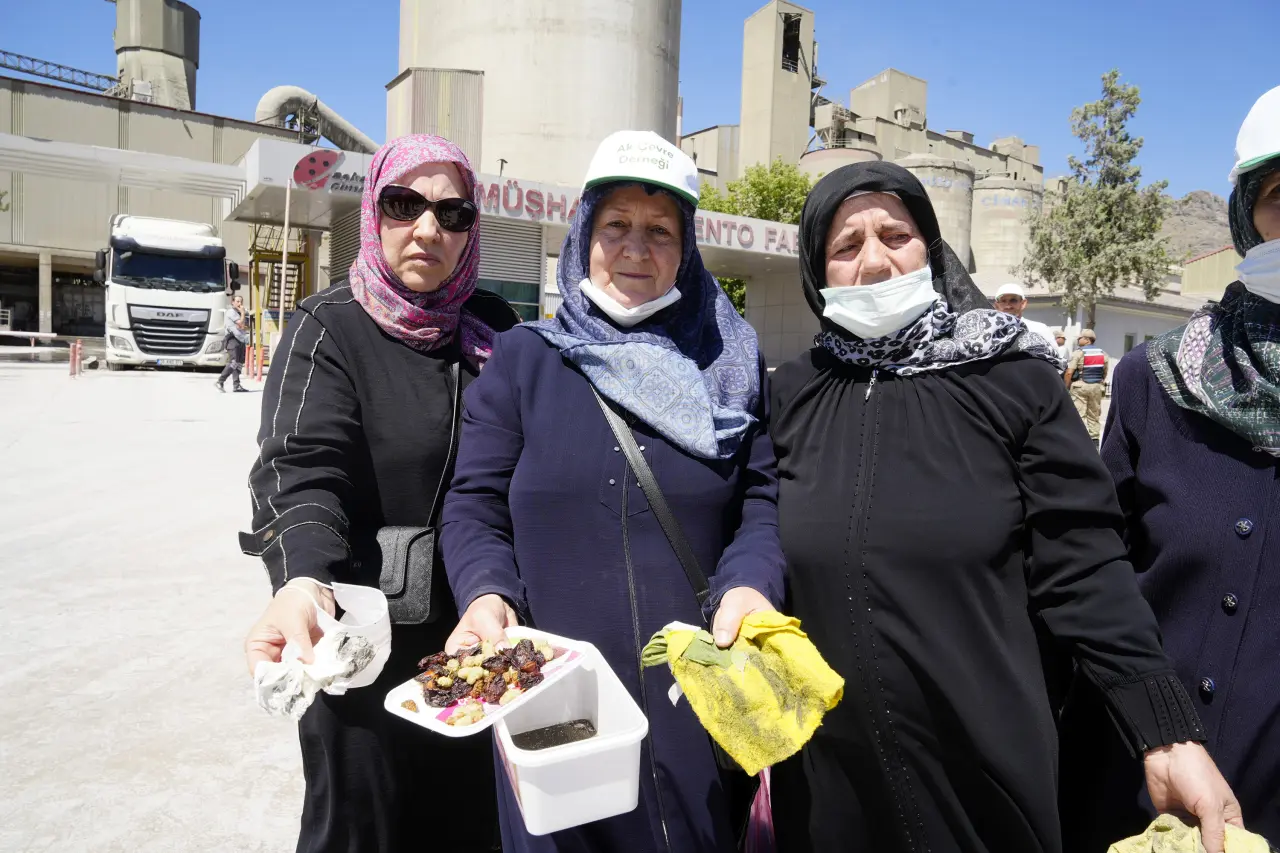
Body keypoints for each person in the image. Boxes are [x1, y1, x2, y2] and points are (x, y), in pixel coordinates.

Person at [766, 161, 1240, 853]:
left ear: (930, 245)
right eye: (846, 245)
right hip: (831, 793)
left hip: (983, 786)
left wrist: (1166, 733)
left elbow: (1087, 570)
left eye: (896, 234)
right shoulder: (795, 394)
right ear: (818, 270)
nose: (875, 262)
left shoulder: (1011, 380)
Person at [440, 130, 785, 853]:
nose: (636, 247)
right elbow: (473, 503)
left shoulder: (725, 366)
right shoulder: (525, 362)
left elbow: (760, 501)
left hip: (697, 706)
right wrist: (485, 592)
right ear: (583, 238)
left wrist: (750, 582)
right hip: (552, 704)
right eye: (616, 226)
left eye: (660, 230)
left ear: (685, 250)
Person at [240, 134, 520, 853]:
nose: (428, 228)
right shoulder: (327, 328)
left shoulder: (498, 331)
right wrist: (302, 576)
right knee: (359, 829)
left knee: (472, 827)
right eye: (405, 204)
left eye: (453, 213)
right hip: (360, 651)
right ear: (374, 211)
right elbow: (301, 469)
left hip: (476, 640)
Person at [1059, 83, 1280, 849]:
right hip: (1126, 786)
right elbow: (1093, 571)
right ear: (1245, 211)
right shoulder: (1154, 381)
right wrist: (1158, 726)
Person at [1065, 328, 1108, 439]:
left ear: (1087, 340)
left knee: (1078, 416)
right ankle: (1095, 443)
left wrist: (1065, 387)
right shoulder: (1103, 354)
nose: (1078, 340)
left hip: (1080, 387)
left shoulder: (1078, 353)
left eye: (1080, 338)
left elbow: (1069, 372)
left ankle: (1078, 441)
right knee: (1094, 416)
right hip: (1096, 387)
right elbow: (1104, 372)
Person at [215, 293, 249, 392]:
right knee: (233, 362)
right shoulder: (231, 312)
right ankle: (220, 381)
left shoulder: (239, 313)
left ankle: (236, 385)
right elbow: (240, 324)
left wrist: (243, 316)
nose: (240, 303)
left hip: (241, 339)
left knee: (238, 363)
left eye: (241, 301)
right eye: (237, 301)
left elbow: (244, 326)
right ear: (233, 302)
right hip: (232, 339)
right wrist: (243, 313)